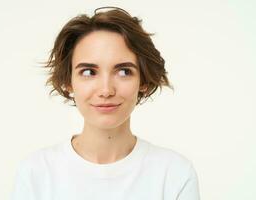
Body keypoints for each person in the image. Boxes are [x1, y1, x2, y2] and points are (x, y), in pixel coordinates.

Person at [11, 6, 200, 200]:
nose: (106, 90)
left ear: (143, 80)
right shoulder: (36, 173)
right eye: (89, 72)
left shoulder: (174, 174)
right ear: (68, 82)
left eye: (124, 71)